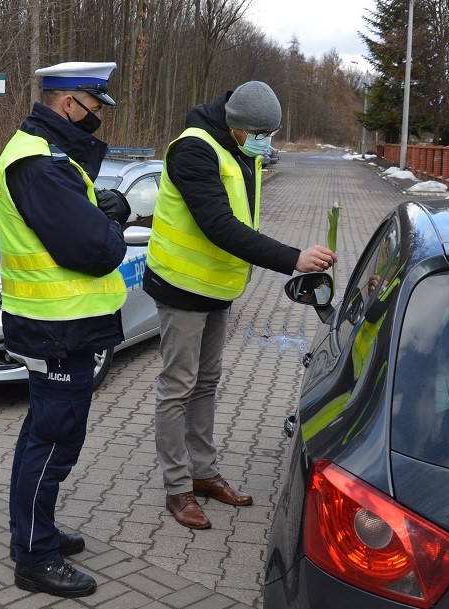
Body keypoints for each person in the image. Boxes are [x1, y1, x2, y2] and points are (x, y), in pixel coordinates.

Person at [144, 81, 337, 529]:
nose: (266, 141)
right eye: (261, 133)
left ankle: (203, 471)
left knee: (206, 382)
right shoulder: (194, 149)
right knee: (178, 386)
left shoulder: (240, 150)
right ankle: (178, 487)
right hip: (181, 286)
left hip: (217, 288)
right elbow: (219, 225)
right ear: (237, 126)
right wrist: (292, 259)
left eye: (271, 133)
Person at [0, 61, 131, 598]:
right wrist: (113, 221)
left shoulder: (46, 155)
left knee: (42, 433)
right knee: (54, 441)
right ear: (68, 103)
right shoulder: (40, 164)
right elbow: (95, 250)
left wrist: (100, 207)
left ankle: (33, 532)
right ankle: (35, 557)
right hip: (56, 328)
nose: (98, 116)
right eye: (94, 106)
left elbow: (75, 219)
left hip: (58, 326)